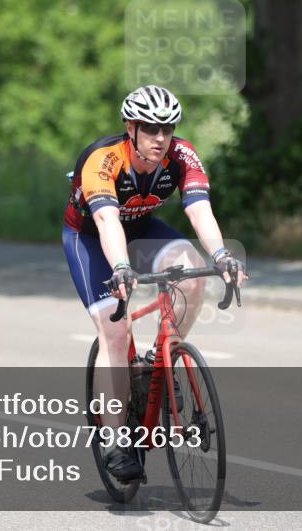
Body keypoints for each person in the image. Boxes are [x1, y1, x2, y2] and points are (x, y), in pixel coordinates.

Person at [62, 85, 247, 482]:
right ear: (131, 128)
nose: (160, 138)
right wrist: (123, 268)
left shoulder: (182, 155)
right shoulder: (104, 161)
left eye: (167, 128)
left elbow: (200, 212)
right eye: (150, 129)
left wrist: (222, 257)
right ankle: (113, 439)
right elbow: (108, 222)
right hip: (91, 239)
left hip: (144, 229)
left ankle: (157, 361)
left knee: (193, 276)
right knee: (115, 331)